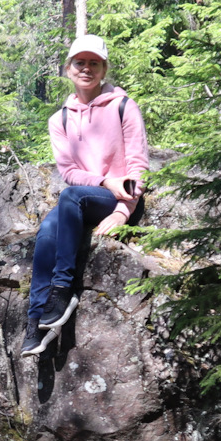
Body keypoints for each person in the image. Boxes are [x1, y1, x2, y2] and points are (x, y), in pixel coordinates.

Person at [21, 35, 148, 357]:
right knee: (47, 231)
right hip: (88, 193)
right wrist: (105, 180)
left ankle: (63, 289)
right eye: (80, 63)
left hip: (114, 200)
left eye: (94, 63)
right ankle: (36, 320)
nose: (87, 69)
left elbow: (137, 165)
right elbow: (69, 171)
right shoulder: (60, 119)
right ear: (68, 69)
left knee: (71, 198)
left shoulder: (123, 106)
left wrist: (123, 211)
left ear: (104, 69)